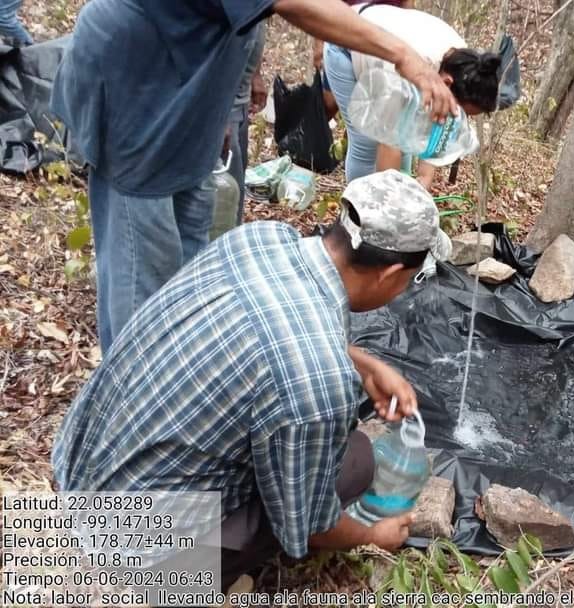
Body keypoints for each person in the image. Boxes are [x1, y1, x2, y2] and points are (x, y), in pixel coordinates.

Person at [52, 171, 453, 591]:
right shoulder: (317, 383)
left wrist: (364, 364)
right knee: (354, 462)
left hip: (79, 466)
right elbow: (312, 528)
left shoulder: (262, 239)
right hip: (130, 547)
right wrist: (374, 536)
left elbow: (263, 328)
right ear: (390, 274)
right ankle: (172, 580)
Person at [50, 0, 457, 354]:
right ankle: (134, 398)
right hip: (140, 86)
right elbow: (292, 3)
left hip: (193, 96)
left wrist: (223, 100)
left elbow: (240, 20)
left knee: (194, 254)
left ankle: (184, 361)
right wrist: (403, 56)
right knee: (142, 266)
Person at [322, 3, 502, 186]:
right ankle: (356, 208)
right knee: (367, 141)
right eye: (458, 113)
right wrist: (389, 200)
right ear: (446, 83)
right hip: (346, 43)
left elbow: (436, 130)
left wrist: (422, 184)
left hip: (386, 48)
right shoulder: (406, 70)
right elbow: (389, 143)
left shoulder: (469, 67)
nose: (456, 120)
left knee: (407, 140)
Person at [224, 21, 268, 227]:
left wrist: (255, 75)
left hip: (238, 96)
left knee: (235, 180)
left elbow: (256, 17)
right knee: (223, 189)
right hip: (223, 102)